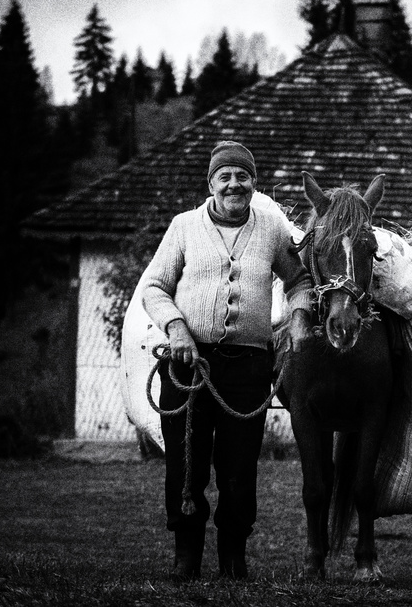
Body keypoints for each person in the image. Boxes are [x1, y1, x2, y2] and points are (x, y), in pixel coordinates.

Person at [141, 140, 313, 580]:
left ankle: (234, 557)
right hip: (189, 365)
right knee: (187, 463)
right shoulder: (183, 227)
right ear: (211, 184)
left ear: (254, 183)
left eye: (243, 176)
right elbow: (155, 287)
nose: (235, 184)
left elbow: (299, 281)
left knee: (239, 465)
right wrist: (177, 328)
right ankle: (187, 556)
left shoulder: (273, 227)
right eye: (226, 177)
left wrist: (298, 318)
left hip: (248, 367)